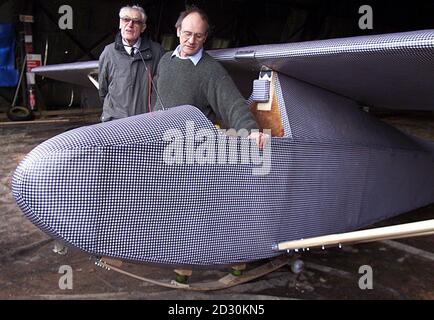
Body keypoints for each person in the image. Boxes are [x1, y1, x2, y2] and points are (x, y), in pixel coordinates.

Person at [155, 6, 268, 148]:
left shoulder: (211, 70)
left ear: (205, 37)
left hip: (189, 150)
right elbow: (156, 95)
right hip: (157, 141)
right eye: (187, 33)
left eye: (198, 36)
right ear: (178, 31)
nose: (191, 40)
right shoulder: (165, 60)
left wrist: (250, 131)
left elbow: (233, 105)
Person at [98, 5, 165, 122]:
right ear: (120, 23)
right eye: (126, 20)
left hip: (144, 122)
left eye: (136, 22)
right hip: (114, 122)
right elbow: (103, 89)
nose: (130, 25)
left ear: (143, 27)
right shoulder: (108, 52)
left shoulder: (157, 51)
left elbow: (163, 87)